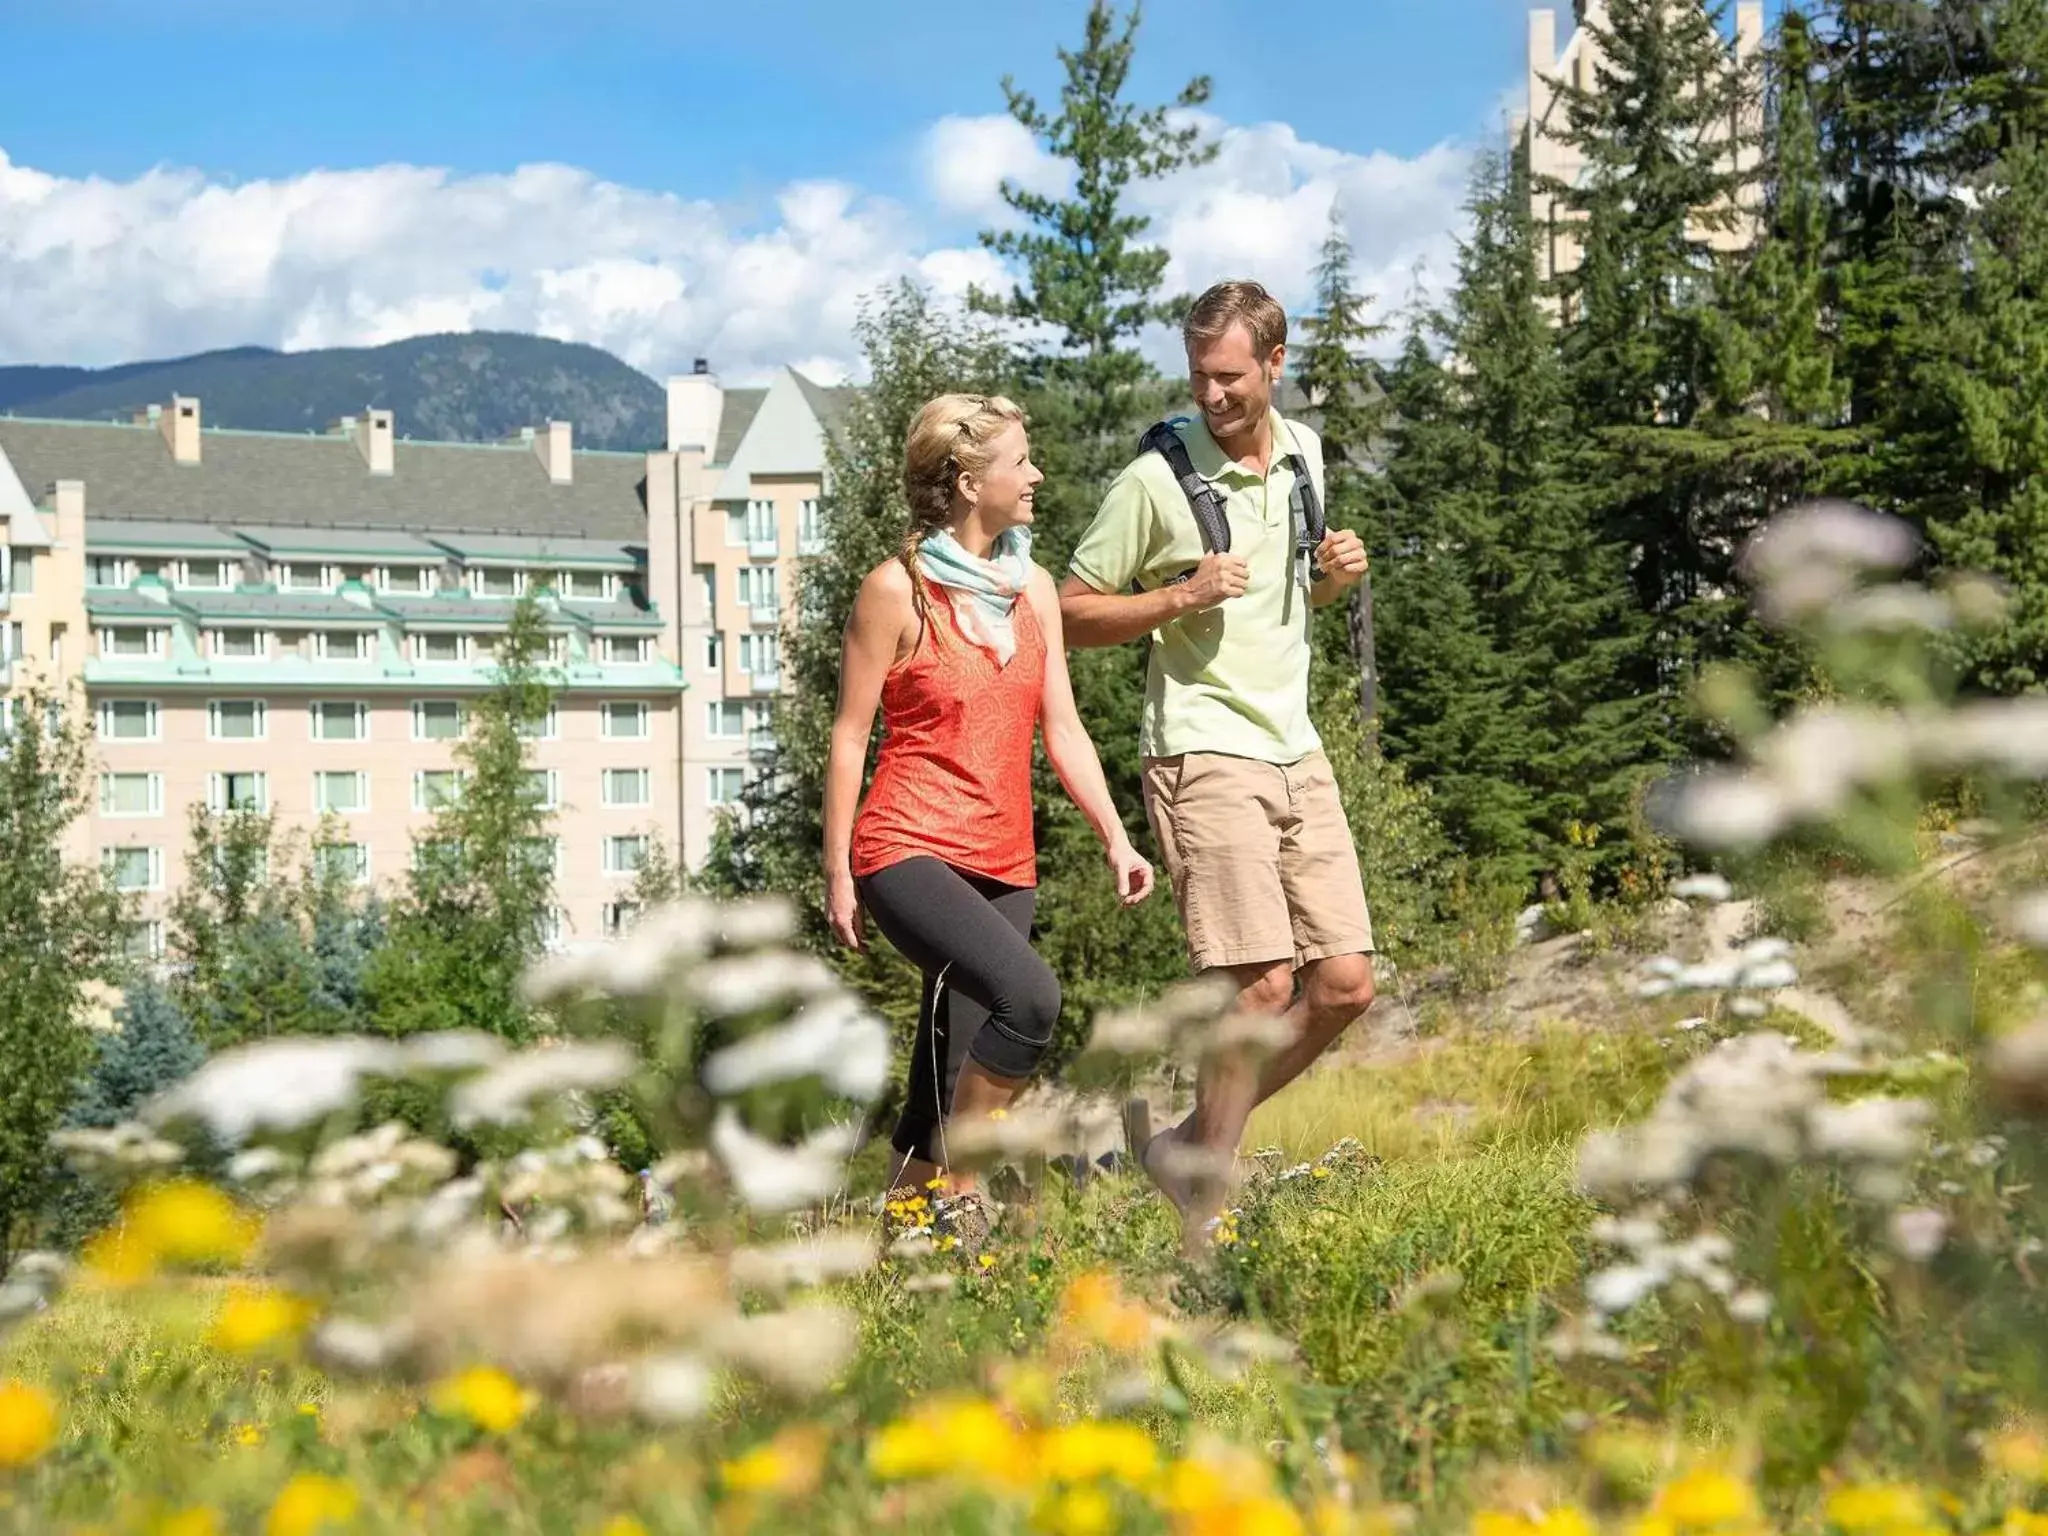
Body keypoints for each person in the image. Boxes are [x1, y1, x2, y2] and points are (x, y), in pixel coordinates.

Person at [1057, 279, 1377, 1252]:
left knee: (1345, 985)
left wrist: (1331, 579)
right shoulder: (1152, 480)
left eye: (1229, 376)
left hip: (1295, 746)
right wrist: (1176, 596)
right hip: (1199, 745)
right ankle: (1205, 1217)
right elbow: (1067, 609)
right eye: (1198, 375)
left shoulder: (1304, 456)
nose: (1210, 394)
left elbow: (1290, 604)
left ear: (1275, 365)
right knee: (1258, 990)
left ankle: (1189, 1147)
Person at [823, 392, 1155, 1242]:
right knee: (1030, 998)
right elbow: (852, 733)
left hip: (1004, 857)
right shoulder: (897, 590)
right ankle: (963, 1194)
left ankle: (899, 1251)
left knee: (944, 1071)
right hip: (905, 847)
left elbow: (1063, 728)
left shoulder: (1032, 588)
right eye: (1020, 461)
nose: (1036, 473)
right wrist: (837, 872)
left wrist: (1115, 835)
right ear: (969, 481)